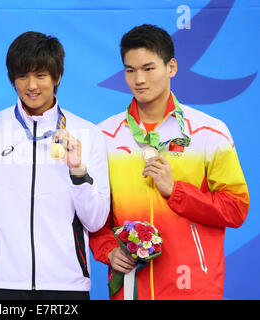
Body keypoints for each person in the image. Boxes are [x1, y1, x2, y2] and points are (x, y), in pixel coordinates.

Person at [89, 24, 249, 300]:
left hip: (194, 287)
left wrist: (176, 191)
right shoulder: (104, 136)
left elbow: (236, 208)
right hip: (131, 287)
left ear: (171, 67)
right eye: (130, 70)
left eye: (148, 68)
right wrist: (108, 250)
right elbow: (94, 214)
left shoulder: (209, 132)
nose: (139, 79)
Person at [0, 31, 110, 300]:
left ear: (57, 77)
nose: (31, 85)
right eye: (22, 76)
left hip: (67, 284)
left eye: (41, 75)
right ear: (12, 79)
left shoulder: (88, 134)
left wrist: (77, 170)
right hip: (1, 282)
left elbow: (96, 219)